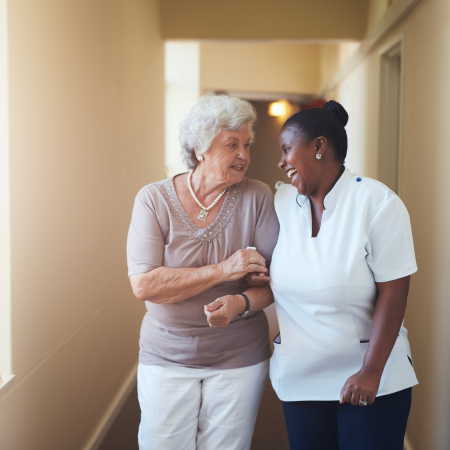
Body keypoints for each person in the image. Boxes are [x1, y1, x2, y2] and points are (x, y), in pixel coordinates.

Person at [126, 94, 279, 450]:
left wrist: (240, 302)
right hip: (166, 353)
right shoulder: (154, 200)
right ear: (199, 150)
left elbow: (274, 284)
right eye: (231, 144)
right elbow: (146, 284)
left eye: (247, 144)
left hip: (239, 355)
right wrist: (227, 269)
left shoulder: (258, 197)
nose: (244, 154)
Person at [269, 100, 418, 450]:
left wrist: (372, 370)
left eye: (287, 149)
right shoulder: (281, 205)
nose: (281, 161)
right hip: (300, 379)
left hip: (367, 378)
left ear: (320, 146)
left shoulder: (377, 203)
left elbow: (394, 292)